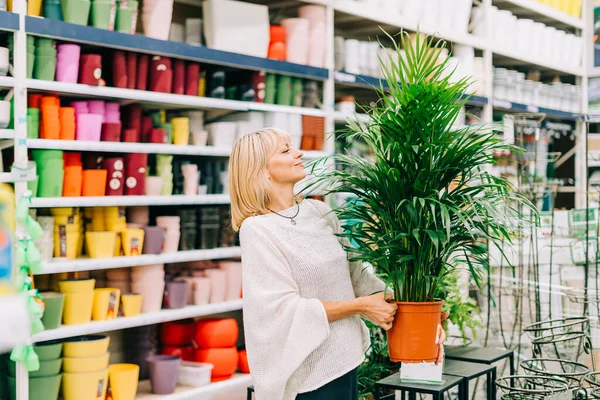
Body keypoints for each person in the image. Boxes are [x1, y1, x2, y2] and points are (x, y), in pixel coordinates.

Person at [229, 128, 445, 400]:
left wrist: (416, 307)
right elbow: (283, 310)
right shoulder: (257, 229)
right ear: (261, 171)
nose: (299, 153)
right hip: (309, 378)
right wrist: (361, 307)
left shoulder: (319, 211)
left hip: (347, 360)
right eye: (285, 150)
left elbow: (356, 275)